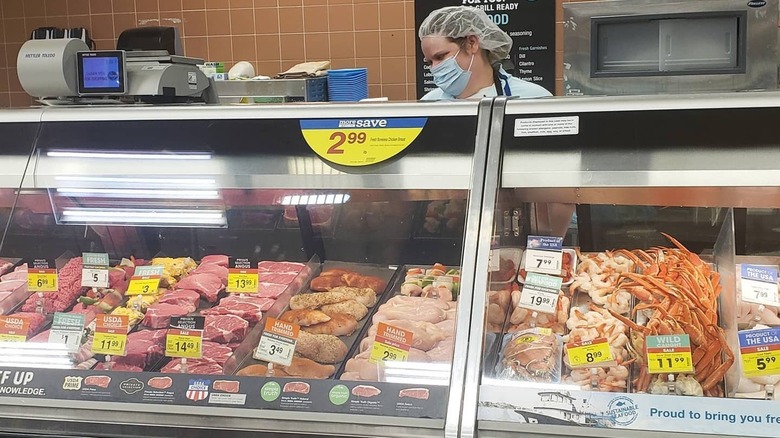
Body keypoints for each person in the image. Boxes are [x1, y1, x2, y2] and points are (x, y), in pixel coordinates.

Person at [418, 6, 552, 100]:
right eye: (430, 62)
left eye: (440, 57)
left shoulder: (533, 98)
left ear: (472, 43)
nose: (434, 68)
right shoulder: (429, 104)